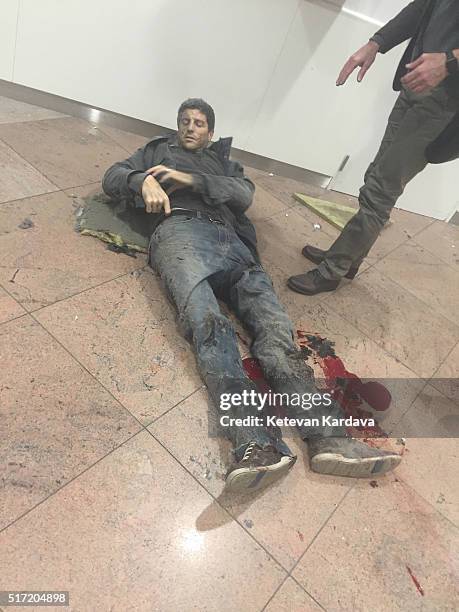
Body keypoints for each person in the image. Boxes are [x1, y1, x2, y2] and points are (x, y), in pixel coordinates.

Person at [103, 98, 401, 493]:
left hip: (236, 245)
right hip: (181, 234)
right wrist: (140, 180)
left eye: (199, 123)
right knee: (209, 328)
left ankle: (330, 438)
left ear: (210, 131)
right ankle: (256, 443)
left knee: (276, 332)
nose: (191, 128)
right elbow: (112, 175)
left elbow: (243, 194)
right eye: (185, 122)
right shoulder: (157, 151)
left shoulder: (225, 162)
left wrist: (193, 180)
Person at [288, 0, 459, 296]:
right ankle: (348, 258)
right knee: (377, 178)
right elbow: (424, 6)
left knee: (382, 189)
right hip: (416, 82)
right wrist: (377, 42)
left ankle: (332, 272)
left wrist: (449, 61)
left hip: (445, 99)